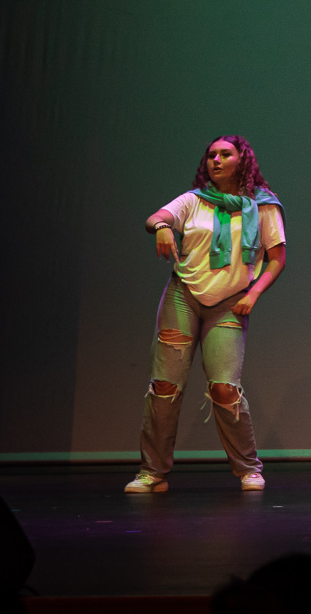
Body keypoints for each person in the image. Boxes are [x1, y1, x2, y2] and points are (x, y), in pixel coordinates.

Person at [126, 136, 287, 493]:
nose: (216, 160)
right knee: (164, 386)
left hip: (230, 301)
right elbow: (156, 218)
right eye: (211, 155)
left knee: (225, 388)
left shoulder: (263, 206)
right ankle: (152, 472)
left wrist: (254, 294)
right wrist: (163, 228)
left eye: (225, 154)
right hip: (183, 296)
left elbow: (277, 259)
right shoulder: (194, 200)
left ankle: (248, 468)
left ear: (242, 160)